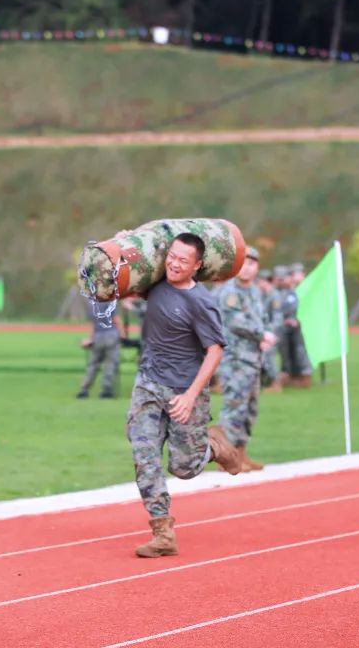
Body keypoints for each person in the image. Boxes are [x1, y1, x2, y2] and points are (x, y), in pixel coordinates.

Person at [126, 233, 244, 558]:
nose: (174, 264)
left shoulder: (201, 302)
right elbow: (126, 279)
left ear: (197, 265)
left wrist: (192, 396)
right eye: (171, 257)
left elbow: (215, 352)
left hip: (184, 389)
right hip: (148, 383)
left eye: (182, 260)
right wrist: (125, 244)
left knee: (184, 467)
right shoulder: (156, 283)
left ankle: (213, 448)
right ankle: (162, 532)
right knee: (144, 454)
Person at [217, 246, 278, 471]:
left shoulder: (254, 292)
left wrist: (266, 336)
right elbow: (235, 322)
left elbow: (263, 318)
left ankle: (241, 455)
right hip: (235, 359)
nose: (247, 268)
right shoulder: (229, 292)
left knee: (249, 409)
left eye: (252, 264)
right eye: (243, 263)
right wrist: (262, 335)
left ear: (257, 268)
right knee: (234, 407)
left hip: (253, 358)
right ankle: (226, 460)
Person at [76, 298, 123, 399]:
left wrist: (90, 339)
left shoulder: (92, 304)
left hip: (97, 336)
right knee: (110, 363)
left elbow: (93, 325)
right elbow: (116, 319)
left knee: (93, 364)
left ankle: (84, 389)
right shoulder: (111, 302)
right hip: (111, 335)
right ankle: (106, 390)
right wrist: (122, 334)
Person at [279, 262, 313, 387]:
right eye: (293, 274)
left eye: (297, 273)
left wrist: (299, 320)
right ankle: (292, 375)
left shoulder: (307, 289)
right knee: (289, 352)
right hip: (290, 328)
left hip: (303, 327)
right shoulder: (288, 292)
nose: (295, 276)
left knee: (302, 352)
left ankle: (305, 376)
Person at [257, 268, 284, 392]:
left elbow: (278, 318)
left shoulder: (275, 296)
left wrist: (270, 334)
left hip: (274, 332)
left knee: (269, 355)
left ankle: (276, 383)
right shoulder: (262, 295)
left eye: (260, 281)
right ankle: (265, 380)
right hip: (264, 332)